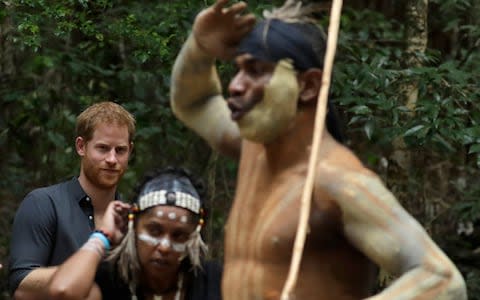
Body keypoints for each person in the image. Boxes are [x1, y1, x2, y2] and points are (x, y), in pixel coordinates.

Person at [169, 0, 467, 299]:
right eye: (238, 70)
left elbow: (441, 280)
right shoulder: (254, 150)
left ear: (309, 86)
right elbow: (195, 102)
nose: (235, 85)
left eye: (256, 71)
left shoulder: (340, 183)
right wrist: (199, 47)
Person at [8, 101, 135, 299]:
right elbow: (22, 284)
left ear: (130, 151)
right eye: (102, 148)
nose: (112, 159)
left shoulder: (132, 217)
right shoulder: (43, 203)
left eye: (120, 150)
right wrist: (85, 278)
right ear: (81, 146)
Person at [48, 167, 222, 300]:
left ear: (194, 237)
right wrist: (102, 236)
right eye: (154, 231)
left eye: (179, 236)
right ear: (133, 225)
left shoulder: (215, 282)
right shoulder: (110, 280)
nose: (164, 247)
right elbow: (63, 290)